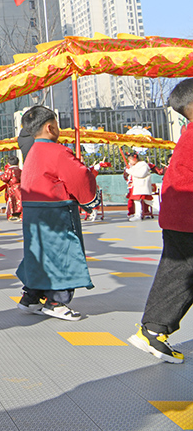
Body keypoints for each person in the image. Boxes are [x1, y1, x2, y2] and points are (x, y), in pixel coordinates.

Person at [128, 79, 193, 363]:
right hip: (188, 218)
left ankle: (153, 330)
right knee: (179, 275)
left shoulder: (188, 134)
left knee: (177, 274)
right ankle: (152, 331)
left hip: (178, 216)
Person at [15, 106, 100, 321]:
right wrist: (90, 199)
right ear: (50, 127)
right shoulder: (57, 151)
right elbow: (79, 176)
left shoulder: (32, 152)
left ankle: (31, 296)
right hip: (56, 211)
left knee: (38, 253)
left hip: (33, 212)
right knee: (63, 253)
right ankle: (56, 301)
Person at [125, 152, 153, 221]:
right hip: (137, 187)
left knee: (148, 201)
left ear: (134, 159)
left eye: (130, 160)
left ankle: (138, 215)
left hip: (142, 186)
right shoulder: (135, 166)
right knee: (137, 201)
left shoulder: (143, 165)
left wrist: (130, 171)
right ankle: (137, 215)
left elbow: (141, 174)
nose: (129, 162)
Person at [0, 155, 23, 221]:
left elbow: (5, 178)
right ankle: (20, 214)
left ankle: (14, 214)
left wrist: (1, 175)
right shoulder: (20, 170)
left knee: (13, 201)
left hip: (13, 188)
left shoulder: (9, 170)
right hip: (20, 187)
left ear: (9, 163)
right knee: (19, 200)